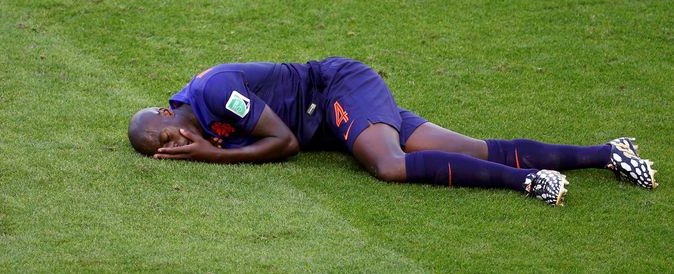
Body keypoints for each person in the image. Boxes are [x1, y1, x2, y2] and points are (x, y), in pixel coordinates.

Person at [128, 57, 658, 206]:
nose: (168, 146)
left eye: (162, 135)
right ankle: (609, 153)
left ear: (166, 113)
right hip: (335, 124)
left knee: (390, 165)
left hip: (336, 90)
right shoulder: (197, 124)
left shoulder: (215, 93)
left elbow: (284, 144)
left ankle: (530, 183)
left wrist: (210, 158)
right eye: (161, 151)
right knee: (473, 149)